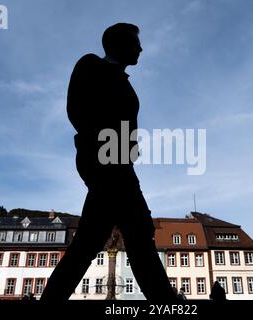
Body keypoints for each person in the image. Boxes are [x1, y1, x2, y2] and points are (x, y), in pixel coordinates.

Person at [40, 23, 176, 302]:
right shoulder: (91, 64)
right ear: (119, 43)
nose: (141, 48)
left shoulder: (123, 80)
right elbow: (76, 110)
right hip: (106, 163)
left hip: (119, 164)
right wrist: (106, 144)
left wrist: (129, 148)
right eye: (136, 42)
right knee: (138, 237)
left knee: (93, 241)